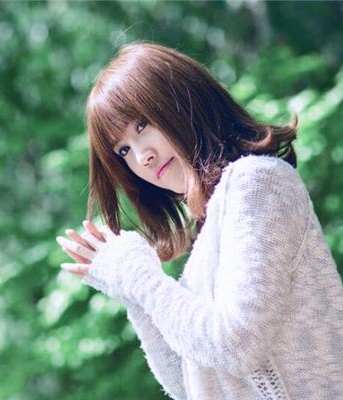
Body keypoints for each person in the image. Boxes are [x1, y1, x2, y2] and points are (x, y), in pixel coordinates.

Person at [55, 41, 343, 400]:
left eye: (142, 125)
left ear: (181, 98)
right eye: (123, 150)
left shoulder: (257, 183)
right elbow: (189, 385)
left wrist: (137, 278)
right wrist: (133, 293)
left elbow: (238, 345)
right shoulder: (207, 236)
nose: (142, 157)